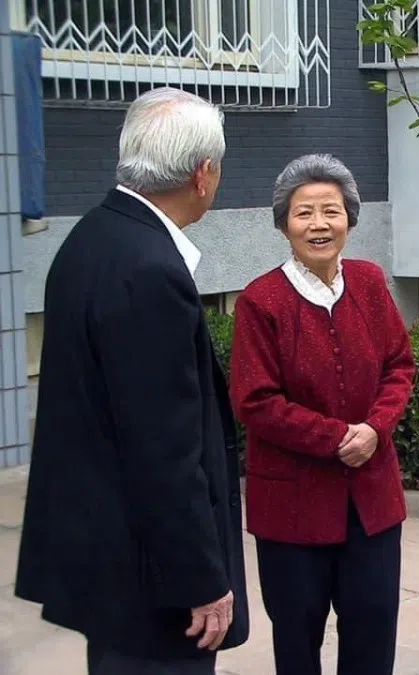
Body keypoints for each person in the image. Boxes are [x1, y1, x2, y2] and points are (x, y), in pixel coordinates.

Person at [15, 87, 249, 674]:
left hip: (108, 558)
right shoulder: (148, 269)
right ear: (204, 173)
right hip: (151, 581)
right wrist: (202, 578)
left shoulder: (91, 238)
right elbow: (165, 450)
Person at [229, 153, 416, 675]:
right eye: (303, 213)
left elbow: (399, 365)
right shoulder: (260, 301)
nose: (319, 225)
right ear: (284, 223)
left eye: (330, 211)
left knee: (373, 633)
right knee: (297, 638)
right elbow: (254, 400)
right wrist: (337, 437)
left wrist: (376, 429)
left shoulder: (370, 282)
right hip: (292, 507)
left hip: (372, 504)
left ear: (350, 219)